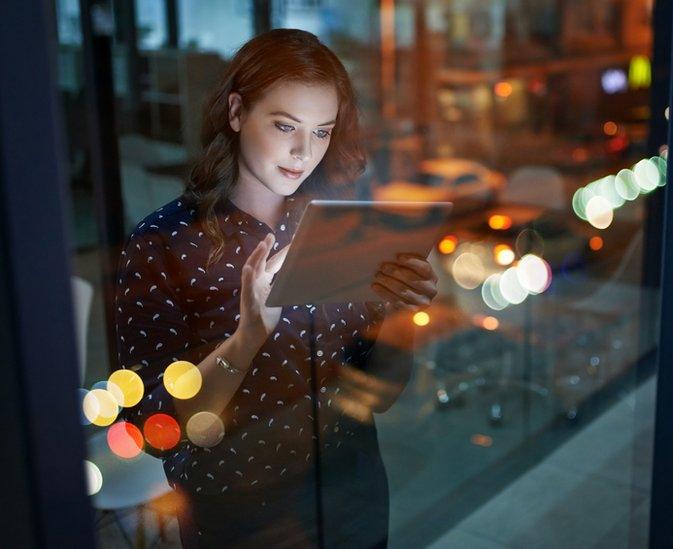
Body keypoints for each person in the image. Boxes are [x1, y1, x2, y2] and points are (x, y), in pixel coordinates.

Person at [114, 29, 437, 548]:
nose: (302, 152)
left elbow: (380, 394)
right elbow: (153, 426)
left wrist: (399, 312)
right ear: (238, 113)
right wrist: (246, 340)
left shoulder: (335, 228)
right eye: (285, 125)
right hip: (241, 516)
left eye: (321, 131)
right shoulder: (164, 245)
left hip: (351, 493)